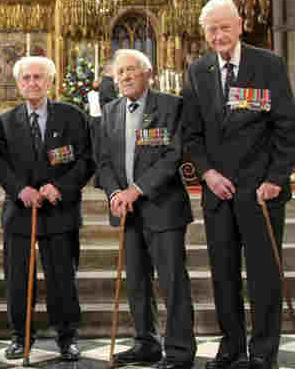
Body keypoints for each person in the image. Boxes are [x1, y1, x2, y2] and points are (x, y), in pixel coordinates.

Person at [182, 0, 295, 369]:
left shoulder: (268, 64)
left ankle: (263, 352)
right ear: (205, 33)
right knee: (224, 275)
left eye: (224, 27)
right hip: (219, 194)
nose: (219, 35)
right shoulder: (197, 71)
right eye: (212, 29)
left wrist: (276, 180)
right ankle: (231, 346)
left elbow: (286, 128)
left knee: (264, 276)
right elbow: (191, 135)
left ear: (240, 25)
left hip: (262, 191)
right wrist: (208, 174)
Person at [97, 50, 196, 369]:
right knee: (137, 282)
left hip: (162, 208)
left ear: (148, 73)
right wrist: (115, 192)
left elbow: (174, 155)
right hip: (126, 211)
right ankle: (146, 343)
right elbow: (104, 161)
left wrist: (135, 190)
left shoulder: (171, 106)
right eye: (119, 73)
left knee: (172, 282)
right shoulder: (110, 111)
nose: (124, 77)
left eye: (131, 70)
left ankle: (180, 350)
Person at [0, 56, 94, 361]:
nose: (32, 83)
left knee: (62, 278)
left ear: (50, 81)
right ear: (18, 83)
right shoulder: (7, 120)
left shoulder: (72, 116)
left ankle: (67, 337)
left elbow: (86, 159)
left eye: (38, 77)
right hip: (20, 212)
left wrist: (60, 187)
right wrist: (19, 189)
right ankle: (20, 335)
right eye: (26, 78)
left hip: (59, 211)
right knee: (18, 279)